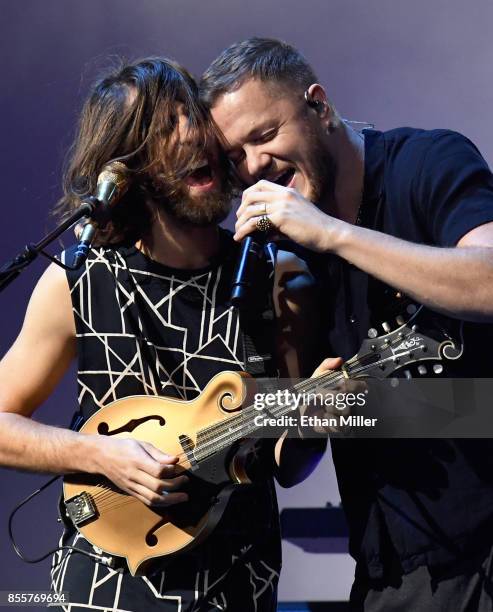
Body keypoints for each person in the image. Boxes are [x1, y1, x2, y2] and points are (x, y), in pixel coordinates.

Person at [0, 57, 326, 611]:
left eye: (191, 117)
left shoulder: (276, 279)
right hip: (103, 584)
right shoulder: (78, 279)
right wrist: (97, 455)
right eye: (162, 127)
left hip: (235, 586)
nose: (190, 136)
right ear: (125, 168)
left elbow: (288, 467)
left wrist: (314, 422)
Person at [201, 37, 493, 611]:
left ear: (319, 105)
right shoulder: (281, 258)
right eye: (236, 156)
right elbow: (288, 463)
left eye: (265, 136)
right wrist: (312, 417)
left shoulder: (426, 163)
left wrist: (332, 233)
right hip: (393, 572)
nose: (256, 164)